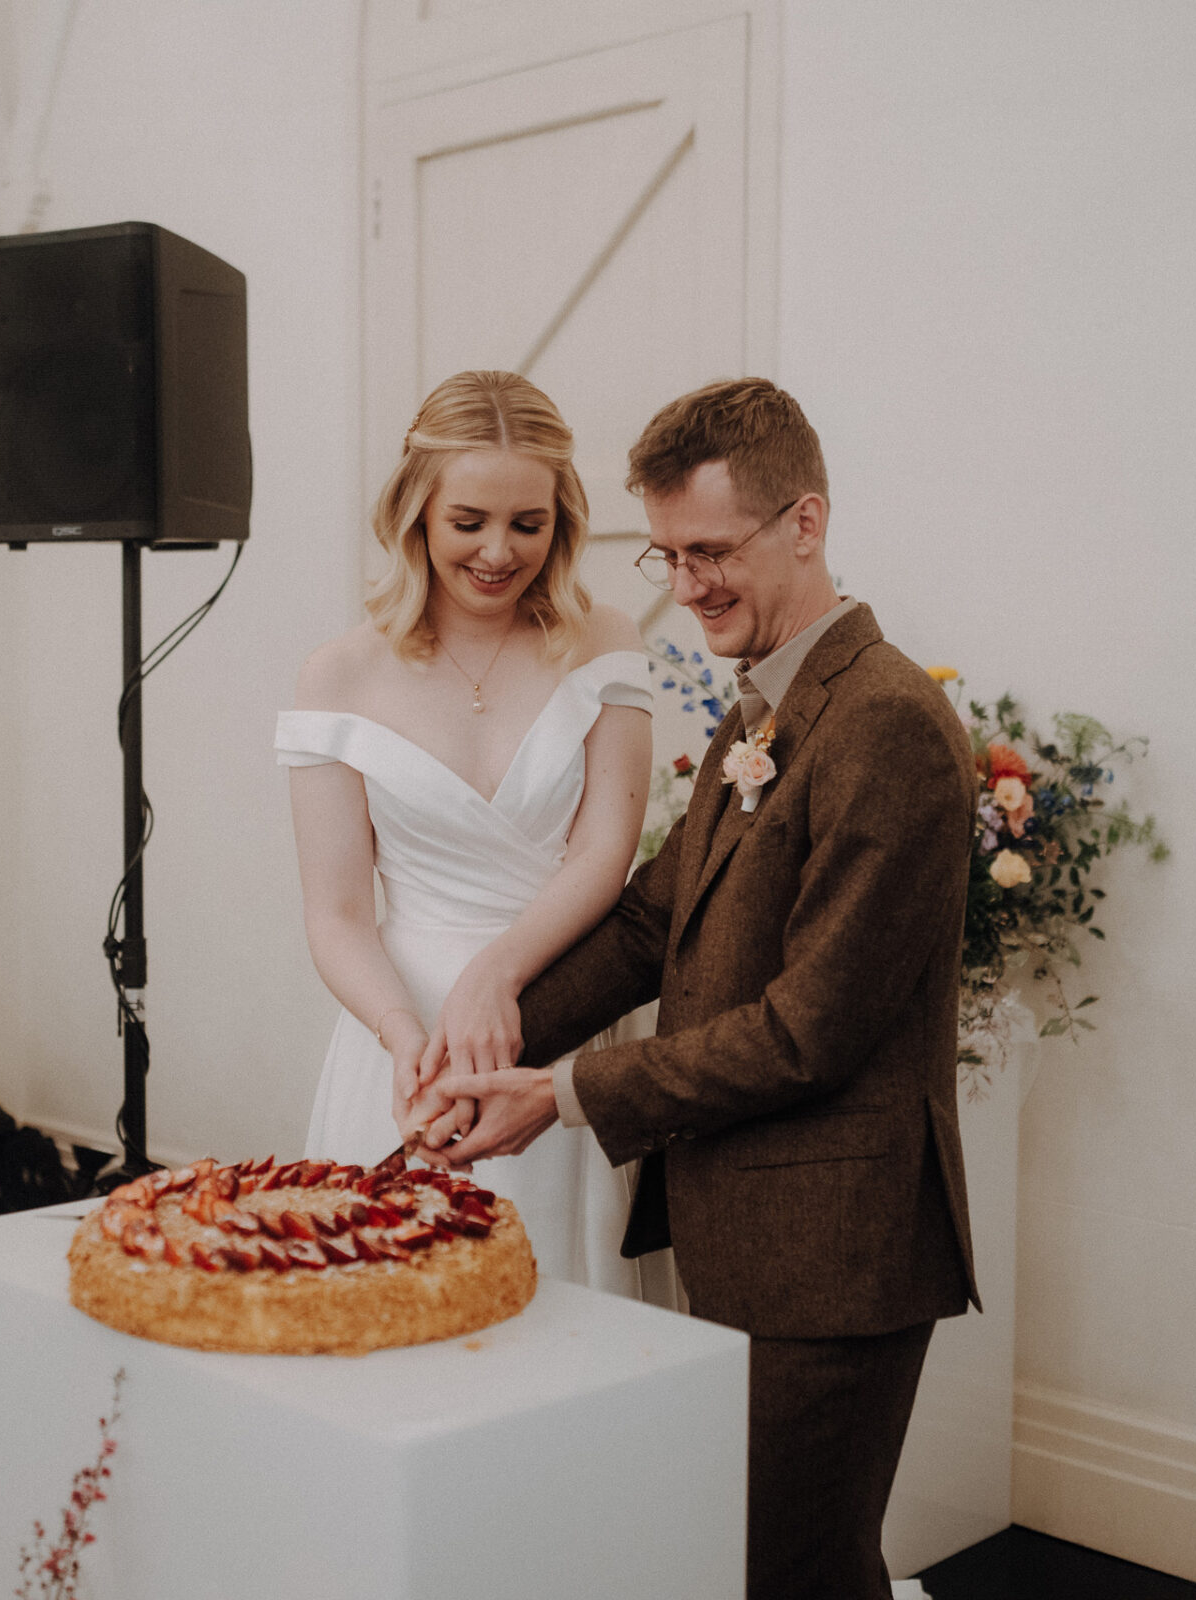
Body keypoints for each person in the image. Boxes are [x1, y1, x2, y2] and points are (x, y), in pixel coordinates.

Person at [409, 377, 979, 1600]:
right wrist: (481, 1034)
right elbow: (652, 922)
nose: (687, 585)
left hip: (835, 1252)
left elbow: (805, 1032)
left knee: (794, 1573)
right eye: (668, 554)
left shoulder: (886, 723)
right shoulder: (763, 705)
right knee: (763, 1564)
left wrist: (557, 1092)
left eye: (712, 550)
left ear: (806, 523)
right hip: (748, 1230)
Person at [276, 369, 654, 1292]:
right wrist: (404, 1035)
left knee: (564, 1317)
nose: (497, 551)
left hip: (562, 1020)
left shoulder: (606, 641)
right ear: (417, 513)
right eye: (468, 522)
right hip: (403, 1041)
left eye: (527, 524)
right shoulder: (339, 677)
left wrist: (499, 973)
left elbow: (605, 852)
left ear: (561, 519)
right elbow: (336, 915)